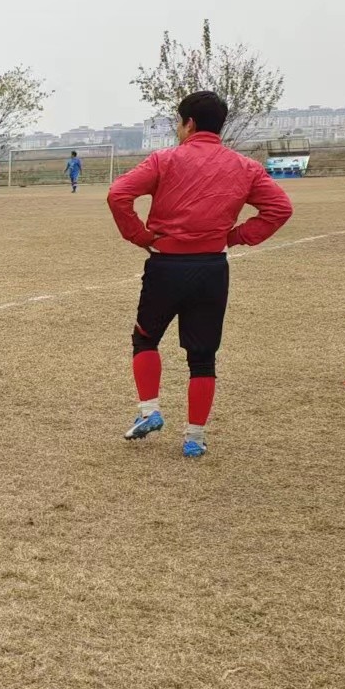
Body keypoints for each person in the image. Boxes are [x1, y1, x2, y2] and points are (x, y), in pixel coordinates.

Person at [106, 91, 293, 457]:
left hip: (165, 266)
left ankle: (150, 410)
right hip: (212, 268)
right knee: (203, 357)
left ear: (188, 123)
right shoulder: (245, 166)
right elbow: (280, 208)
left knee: (145, 339)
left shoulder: (166, 159)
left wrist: (140, 235)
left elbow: (118, 194)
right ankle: (194, 438)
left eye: (178, 123)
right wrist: (237, 236)